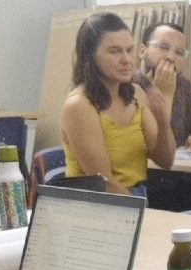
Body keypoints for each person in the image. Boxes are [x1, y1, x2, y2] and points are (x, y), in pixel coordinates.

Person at [60, 11, 177, 197]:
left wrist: (163, 121)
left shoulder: (136, 94)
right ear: (90, 56)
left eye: (129, 50)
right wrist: (144, 215)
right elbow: (103, 182)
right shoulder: (79, 105)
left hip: (136, 196)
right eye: (114, 51)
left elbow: (165, 161)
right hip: (98, 204)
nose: (126, 59)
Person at [138, 21, 191, 211]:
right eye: (163, 47)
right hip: (146, 187)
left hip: (185, 183)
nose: (171, 57)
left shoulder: (185, 86)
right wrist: (163, 93)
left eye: (179, 53)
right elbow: (147, 146)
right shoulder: (130, 88)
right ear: (142, 50)